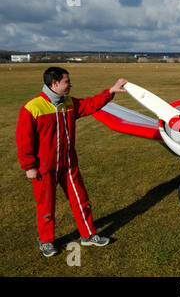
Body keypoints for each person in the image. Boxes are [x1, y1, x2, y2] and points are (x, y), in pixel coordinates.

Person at [16, 66, 127, 257]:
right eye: (67, 81)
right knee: (46, 206)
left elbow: (89, 105)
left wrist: (109, 92)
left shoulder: (69, 102)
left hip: (68, 164)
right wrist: (29, 166)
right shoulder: (31, 108)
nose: (71, 84)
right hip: (44, 168)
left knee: (81, 200)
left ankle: (88, 235)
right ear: (54, 83)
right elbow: (23, 140)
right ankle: (46, 240)